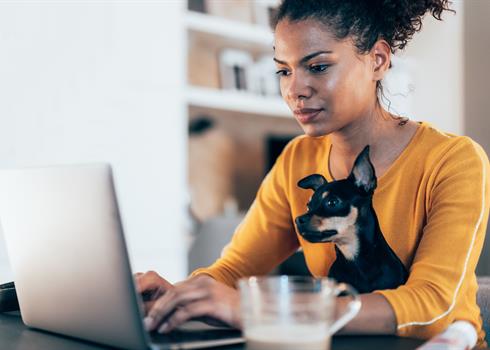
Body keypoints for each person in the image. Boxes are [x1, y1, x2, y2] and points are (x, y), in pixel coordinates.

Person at [137, 0, 489, 346]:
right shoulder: (297, 159)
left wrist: (265, 311)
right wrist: (178, 297)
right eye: (284, 71)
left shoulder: (453, 160)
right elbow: (234, 271)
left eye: (318, 67)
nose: (294, 90)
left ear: (378, 60)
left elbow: (433, 305)